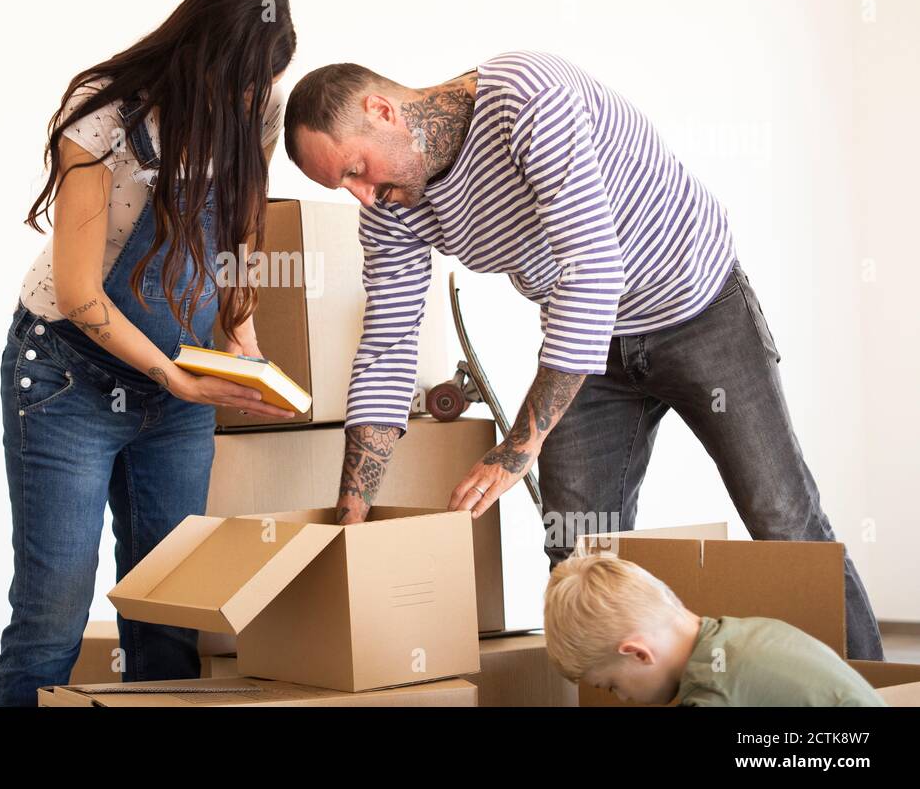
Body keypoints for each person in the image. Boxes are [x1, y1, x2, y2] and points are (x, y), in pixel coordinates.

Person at [282, 49, 884, 661]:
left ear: (382, 111)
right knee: (578, 554)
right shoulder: (391, 207)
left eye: (356, 169)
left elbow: (593, 273)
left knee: (784, 520)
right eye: (344, 187)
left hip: (700, 311)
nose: (362, 197)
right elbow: (387, 347)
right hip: (592, 350)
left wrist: (519, 447)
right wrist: (351, 526)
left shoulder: (525, 98)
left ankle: (876, 697)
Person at [0, 0, 298, 706]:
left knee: (168, 617)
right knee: (50, 620)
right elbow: (78, 292)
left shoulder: (258, 110)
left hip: (176, 391)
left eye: (265, 90)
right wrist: (171, 374)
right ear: (203, 63)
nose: (256, 103)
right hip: (67, 379)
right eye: (247, 87)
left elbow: (240, 232)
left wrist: (242, 338)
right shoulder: (99, 124)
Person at [545, 553, 886, 706]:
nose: (623, 698)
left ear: (638, 653)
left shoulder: (712, 693)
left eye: (611, 686)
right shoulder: (745, 633)